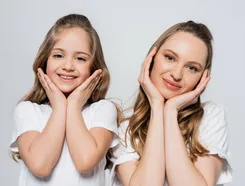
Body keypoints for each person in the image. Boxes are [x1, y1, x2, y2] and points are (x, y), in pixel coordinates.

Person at [109, 21, 232, 186]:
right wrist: (157, 105)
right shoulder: (125, 128)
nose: (176, 74)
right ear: (151, 59)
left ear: (202, 78)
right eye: (170, 58)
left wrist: (171, 111)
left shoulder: (210, 116)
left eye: (192, 68)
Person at [9, 14, 120, 186]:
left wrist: (74, 107)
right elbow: (40, 165)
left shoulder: (103, 110)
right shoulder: (27, 110)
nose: (68, 66)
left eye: (80, 58)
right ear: (45, 60)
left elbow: (85, 161)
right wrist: (60, 107)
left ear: (94, 68)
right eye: (58, 55)